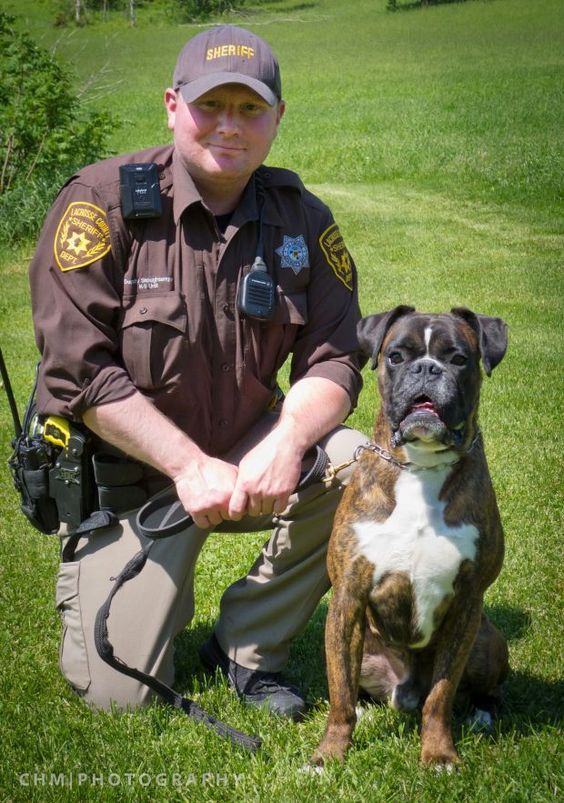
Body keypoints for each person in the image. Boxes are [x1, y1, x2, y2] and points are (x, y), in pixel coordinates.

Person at [29, 24, 366, 720]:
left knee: (358, 462)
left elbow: (336, 355)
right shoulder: (101, 207)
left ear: (277, 118)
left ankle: (247, 644)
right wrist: (187, 465)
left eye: (250, 109)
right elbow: (77, 371)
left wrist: (286, 441)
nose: (230, 126)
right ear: (172, 105)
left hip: (246, 456)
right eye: (211, 105)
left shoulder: (301, 220)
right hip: (129, 481)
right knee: (119, 695)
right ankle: (156, 583)